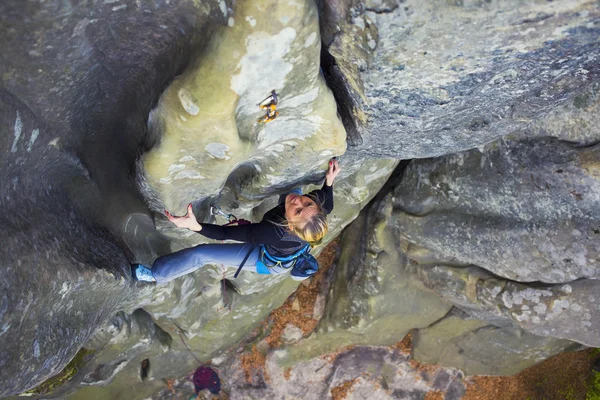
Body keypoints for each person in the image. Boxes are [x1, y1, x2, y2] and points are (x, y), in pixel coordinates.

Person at [132, 158, 341, 283]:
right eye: (307, 204)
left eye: (297, 211)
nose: (299, 203)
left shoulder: (271, 232)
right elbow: (327, 201)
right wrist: (329, 182)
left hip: (265, 260)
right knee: (293, 188)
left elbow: (224, 234)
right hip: (290, 242)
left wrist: (193, 225)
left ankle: (156, 275)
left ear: (289, 224)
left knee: (202, 253)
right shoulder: (317, 207)